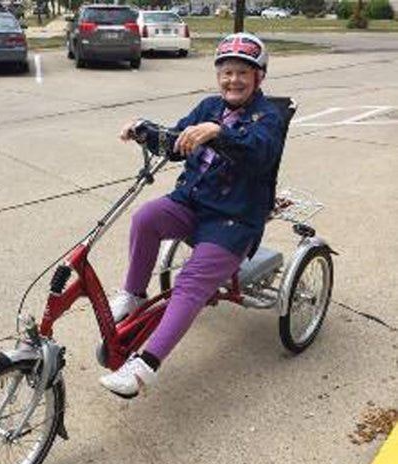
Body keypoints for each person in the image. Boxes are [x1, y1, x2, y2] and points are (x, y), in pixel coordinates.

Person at [100, 32, 285, 398]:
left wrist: (218, 134)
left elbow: (258, 152)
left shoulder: (270, 118)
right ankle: (134, 294)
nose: (233, 80)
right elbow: (176, 143)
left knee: (190, 282)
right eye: (226, 72)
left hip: (233, 220)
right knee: (146, 217)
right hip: (193, 203)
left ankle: (144, 368)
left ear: (259, 77)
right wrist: (143, 130)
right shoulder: (208, 108)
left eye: (242, 73)